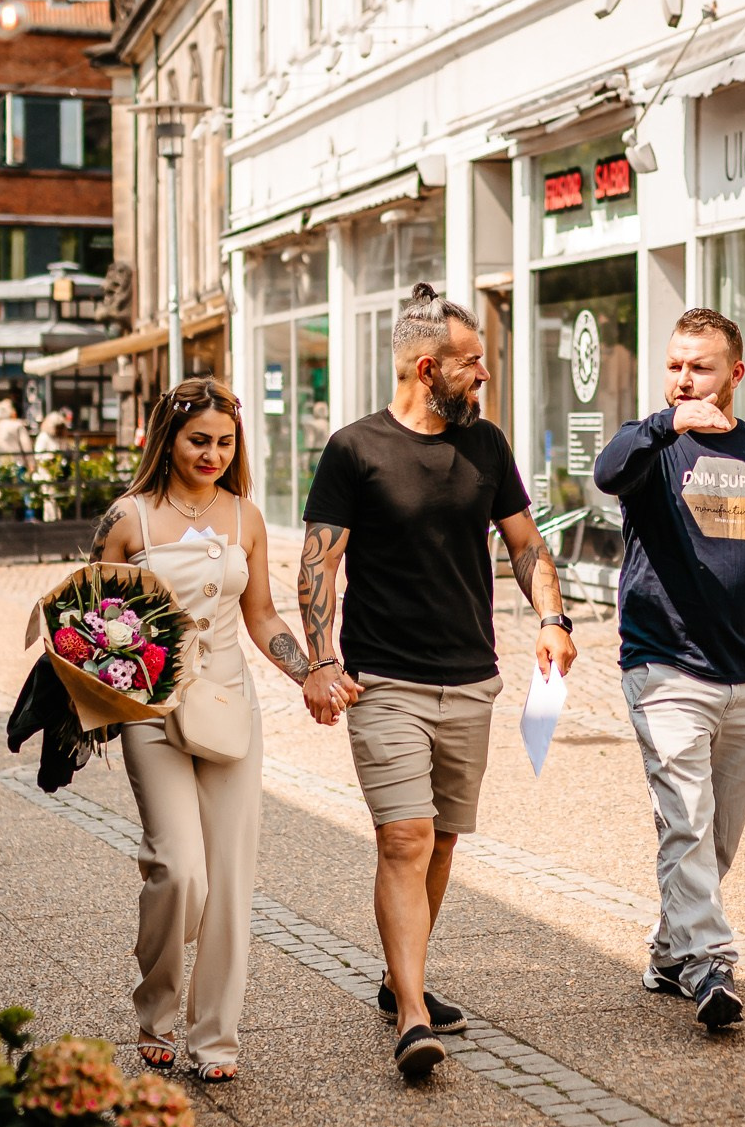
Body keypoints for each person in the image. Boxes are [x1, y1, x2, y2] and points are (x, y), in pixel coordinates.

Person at [299, 283, 573, 1077]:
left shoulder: (486, 446)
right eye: (473, 364)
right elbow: (319, 560)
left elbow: (526, 545)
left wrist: (552, 617)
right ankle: (414, 1016)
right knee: (405, 835)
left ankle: (399, 975)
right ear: (429, 367)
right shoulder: (355, 449)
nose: (483, 376)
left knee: (443, 838)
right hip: (384, 680)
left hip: (471, 678)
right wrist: (321, 662)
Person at [91, 378, 312, 1084]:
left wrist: (310, 671)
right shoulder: (129, 518)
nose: (213, 453)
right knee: (179, 867)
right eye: (198, 441)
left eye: (225, 441)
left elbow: (262, 616)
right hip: (151, 708)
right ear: (167, 439)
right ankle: (155, 1007)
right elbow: (92, 619)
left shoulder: (245, 516)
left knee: (230, 878)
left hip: (227, 705)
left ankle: (215, 1035)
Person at [594, 308, 745, 1033]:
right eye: (676, 364)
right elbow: (606, 469)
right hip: (667, 666)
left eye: (701, 367)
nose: (685, 378)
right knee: (685, 817)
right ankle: (712, 961)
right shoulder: (651, 446)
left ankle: (668, 952)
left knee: (714, 836)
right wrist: (666, 421)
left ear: (736, 374)